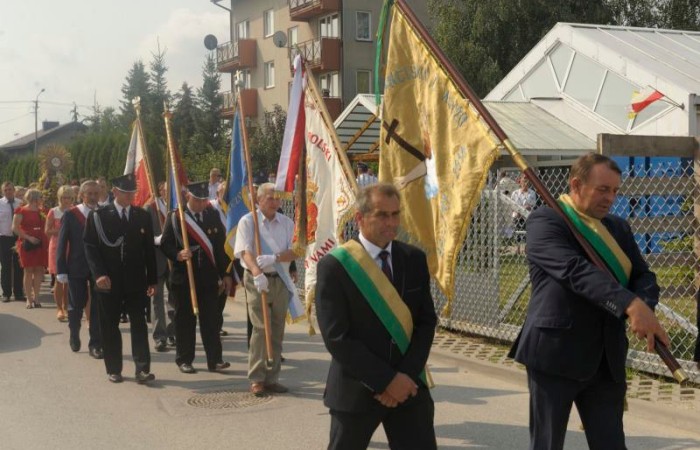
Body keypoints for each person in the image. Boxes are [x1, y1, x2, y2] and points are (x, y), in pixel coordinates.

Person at [508, 153, 671, 450]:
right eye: (603, 189)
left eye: (615, 190)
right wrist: (629, 304)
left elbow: (643, 275)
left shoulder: (618, 228)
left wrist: (644, 306)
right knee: (547, 444)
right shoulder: (546, 221)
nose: (611, 198)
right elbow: (574, 271)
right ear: (576, 184)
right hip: (555, 354)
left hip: (607, 358)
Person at [315, 182, 438, 450]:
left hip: (408, 386)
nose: (391, 222)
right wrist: (386, 381)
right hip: (356, 388)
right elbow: (337, 337)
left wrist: (404, 376)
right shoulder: (335, 266)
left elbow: (426, 322)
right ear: (359, 218)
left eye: (395, 214)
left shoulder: (414, 259)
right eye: (382, 215)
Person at [84, 174, 157, 384]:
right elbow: (90, 247)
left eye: (132, 193)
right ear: (115, 192)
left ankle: (142, 369)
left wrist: (152, 280)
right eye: (126, 193)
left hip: (136, 281)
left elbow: (148, 250)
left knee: (139, 325)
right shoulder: (99, 216)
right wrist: (99, 274)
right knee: (110, 325)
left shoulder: (141, 215)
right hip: (109, 280)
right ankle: (114, 368)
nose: (130, 197)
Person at [160, 181, 232, 374]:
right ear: (187, 197)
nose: (201, 204)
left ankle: (215, 359)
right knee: (185, 321)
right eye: (197, 200)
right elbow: (165, 243)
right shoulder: (176, 217)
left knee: (211, 320)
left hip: (208, 278)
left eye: (203, 200)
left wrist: (225, 274)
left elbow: (220, 248)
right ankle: (185, 359)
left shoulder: (212, 215)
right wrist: (178, 254)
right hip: (184, 279)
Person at [234, 183, 296, 396]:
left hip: (280, 279)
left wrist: (275, 258)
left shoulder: (287, 223)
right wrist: (256, 272)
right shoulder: (248, 221)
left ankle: (272, 377)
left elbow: (296, 251)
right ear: (258, 200)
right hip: (256, 280)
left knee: (277, 329)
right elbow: (245, 251)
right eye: (270, 198)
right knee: (261, 328)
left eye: (278, 198)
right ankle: (257, 378)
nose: (275, 202)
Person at [56, 180, 103, 357]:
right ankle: (74, 332)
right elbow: (62, 243)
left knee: (98, 305)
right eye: (89, 193)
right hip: (76, 266)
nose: (93, 197)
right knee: (76, 304)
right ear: (82, 195)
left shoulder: (104, 213)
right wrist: (61, 269)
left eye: (95, 193)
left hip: (99, 267)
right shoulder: (71, 214)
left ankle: (95, 344)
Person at [144, 181, 175, 352]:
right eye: (166, 190)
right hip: (156, 260)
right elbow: (143, 234)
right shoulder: (150, 208)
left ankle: (173, 332)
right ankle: (159, 337)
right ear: (160, 191)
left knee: (175, 299)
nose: (168, 193)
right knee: (156, 300)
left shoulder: (178, 208)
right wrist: (155, 239)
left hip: (175, 260)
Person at [12, 188, 49, 309]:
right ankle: (29, 298)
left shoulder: (42, 211)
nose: (42, 199)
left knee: (39, 270)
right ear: (34, 198)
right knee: (28, 271)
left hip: (41, 243)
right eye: (40, 197)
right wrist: (28, 237)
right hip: (27, 243)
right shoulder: (21, 210)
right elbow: (15, 228)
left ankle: (36, 298)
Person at [46, 185, 75, 321]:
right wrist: (63, 231)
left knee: (68, 280)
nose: (66, 200)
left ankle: (67, 306)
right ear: (59, 197)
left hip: (72, 247)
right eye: (63, 197)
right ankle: (59, 309)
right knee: (58, 279)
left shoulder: (75, 211)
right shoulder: (53, 211)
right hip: (57, 247)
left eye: (68, 197)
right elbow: (47, 231)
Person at [0, 181, 25, 303]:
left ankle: (19, 293)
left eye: (10, 189)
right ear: (2, 191)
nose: (8, 192)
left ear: (14, 190)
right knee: (5, 266)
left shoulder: (21, 203)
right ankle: (6, 293)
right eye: (5, 190)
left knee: (19, 265)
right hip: (4, 238)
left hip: (18, 238)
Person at [510, 176, 537, 254]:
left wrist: (526, 208)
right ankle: (517, 248)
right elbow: (512, 204)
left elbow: (533, 204)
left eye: (527, 181)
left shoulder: (532, 193)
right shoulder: (515, 193)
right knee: (517, 231)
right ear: (520, 182)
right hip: (517, 215)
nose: (526, 183)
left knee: (527, 232)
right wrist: (518, 211)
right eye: (524, 181)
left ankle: (526, 248)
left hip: (527, 215)